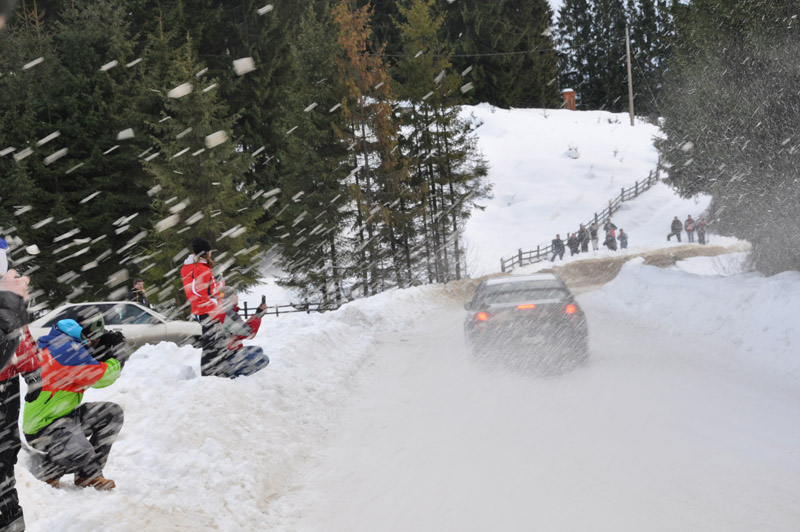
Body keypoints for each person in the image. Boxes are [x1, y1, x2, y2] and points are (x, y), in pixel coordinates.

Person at [23, 311, 124, 491]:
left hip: (65, 418)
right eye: (95, 339)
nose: (96, 342)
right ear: (85, 336)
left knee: (111, 414)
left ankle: (88, 475)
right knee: (81, 452)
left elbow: (87, 366)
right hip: (43, 427)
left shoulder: (65, 343)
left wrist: (100, 351)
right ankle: (47, 471)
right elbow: (101, 377)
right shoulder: (66, 351)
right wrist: (116, 358)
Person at [0, 243, 38, 532]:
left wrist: (33, 372)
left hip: (7, 388)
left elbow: (22, 339)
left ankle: (9, 517)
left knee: (5, 456)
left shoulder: (7, 301)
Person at [181, 237, 226, 376]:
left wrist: (216, 285)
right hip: (208, 312)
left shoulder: (190, 267)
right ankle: (210, 375)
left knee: (210, 344)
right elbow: (202, 292)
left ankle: (211, 373)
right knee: (211, 345)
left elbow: (196, 291)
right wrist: (214, 304)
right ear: (206, 252)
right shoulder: (201, 268)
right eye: (210, 250)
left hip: (201, 311)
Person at [215, 291, 270, 378]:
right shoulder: (227, 314)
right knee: (264, 360)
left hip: (231, 351)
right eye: (235, 294)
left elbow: (243, 329)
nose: (237, 296)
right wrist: (258, 317)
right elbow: (249, 333)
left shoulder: (228, 311)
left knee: (258, 350)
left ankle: (234, 369)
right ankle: (232, 376)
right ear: (229, 298)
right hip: (227, 357)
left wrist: (258, 313)